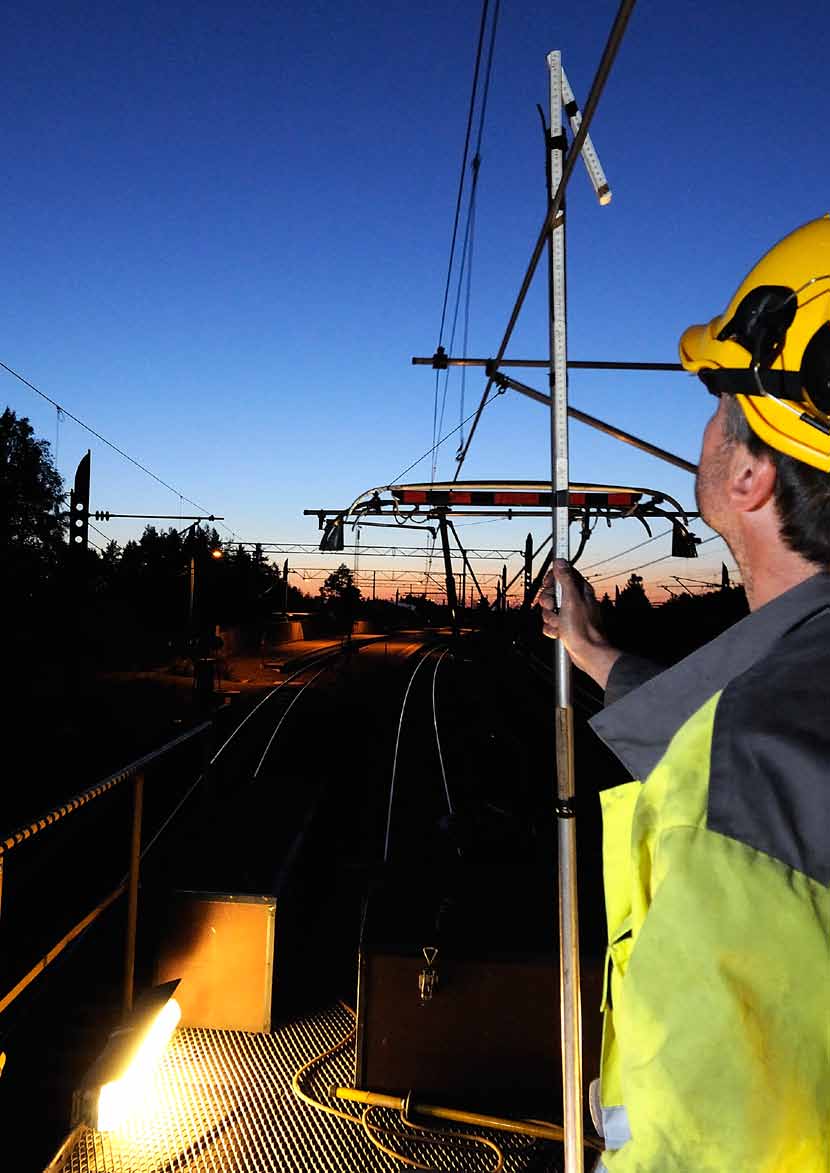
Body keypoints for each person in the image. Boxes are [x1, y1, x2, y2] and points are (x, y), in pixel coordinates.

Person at [537, 216, 830, 1172]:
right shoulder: (779, 713)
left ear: (750, 474)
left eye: (719, 404)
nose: (703, 429)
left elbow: (706, 1148)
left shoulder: (741, 774)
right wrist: (595, 653)